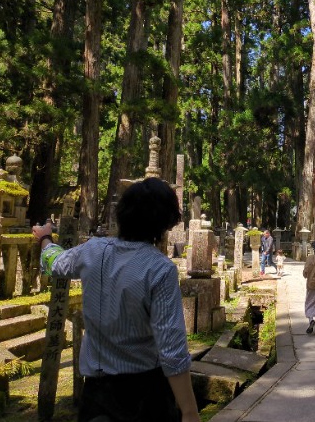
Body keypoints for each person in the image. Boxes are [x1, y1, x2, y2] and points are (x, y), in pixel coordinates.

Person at [32, 177, 200, 422]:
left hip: (96, 393)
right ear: (164, 223)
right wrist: (190, 411)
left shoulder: (93, 251)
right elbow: (172, 349)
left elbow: (55, 262)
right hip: (147, 394)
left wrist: (45, 239)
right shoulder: (159, 269)